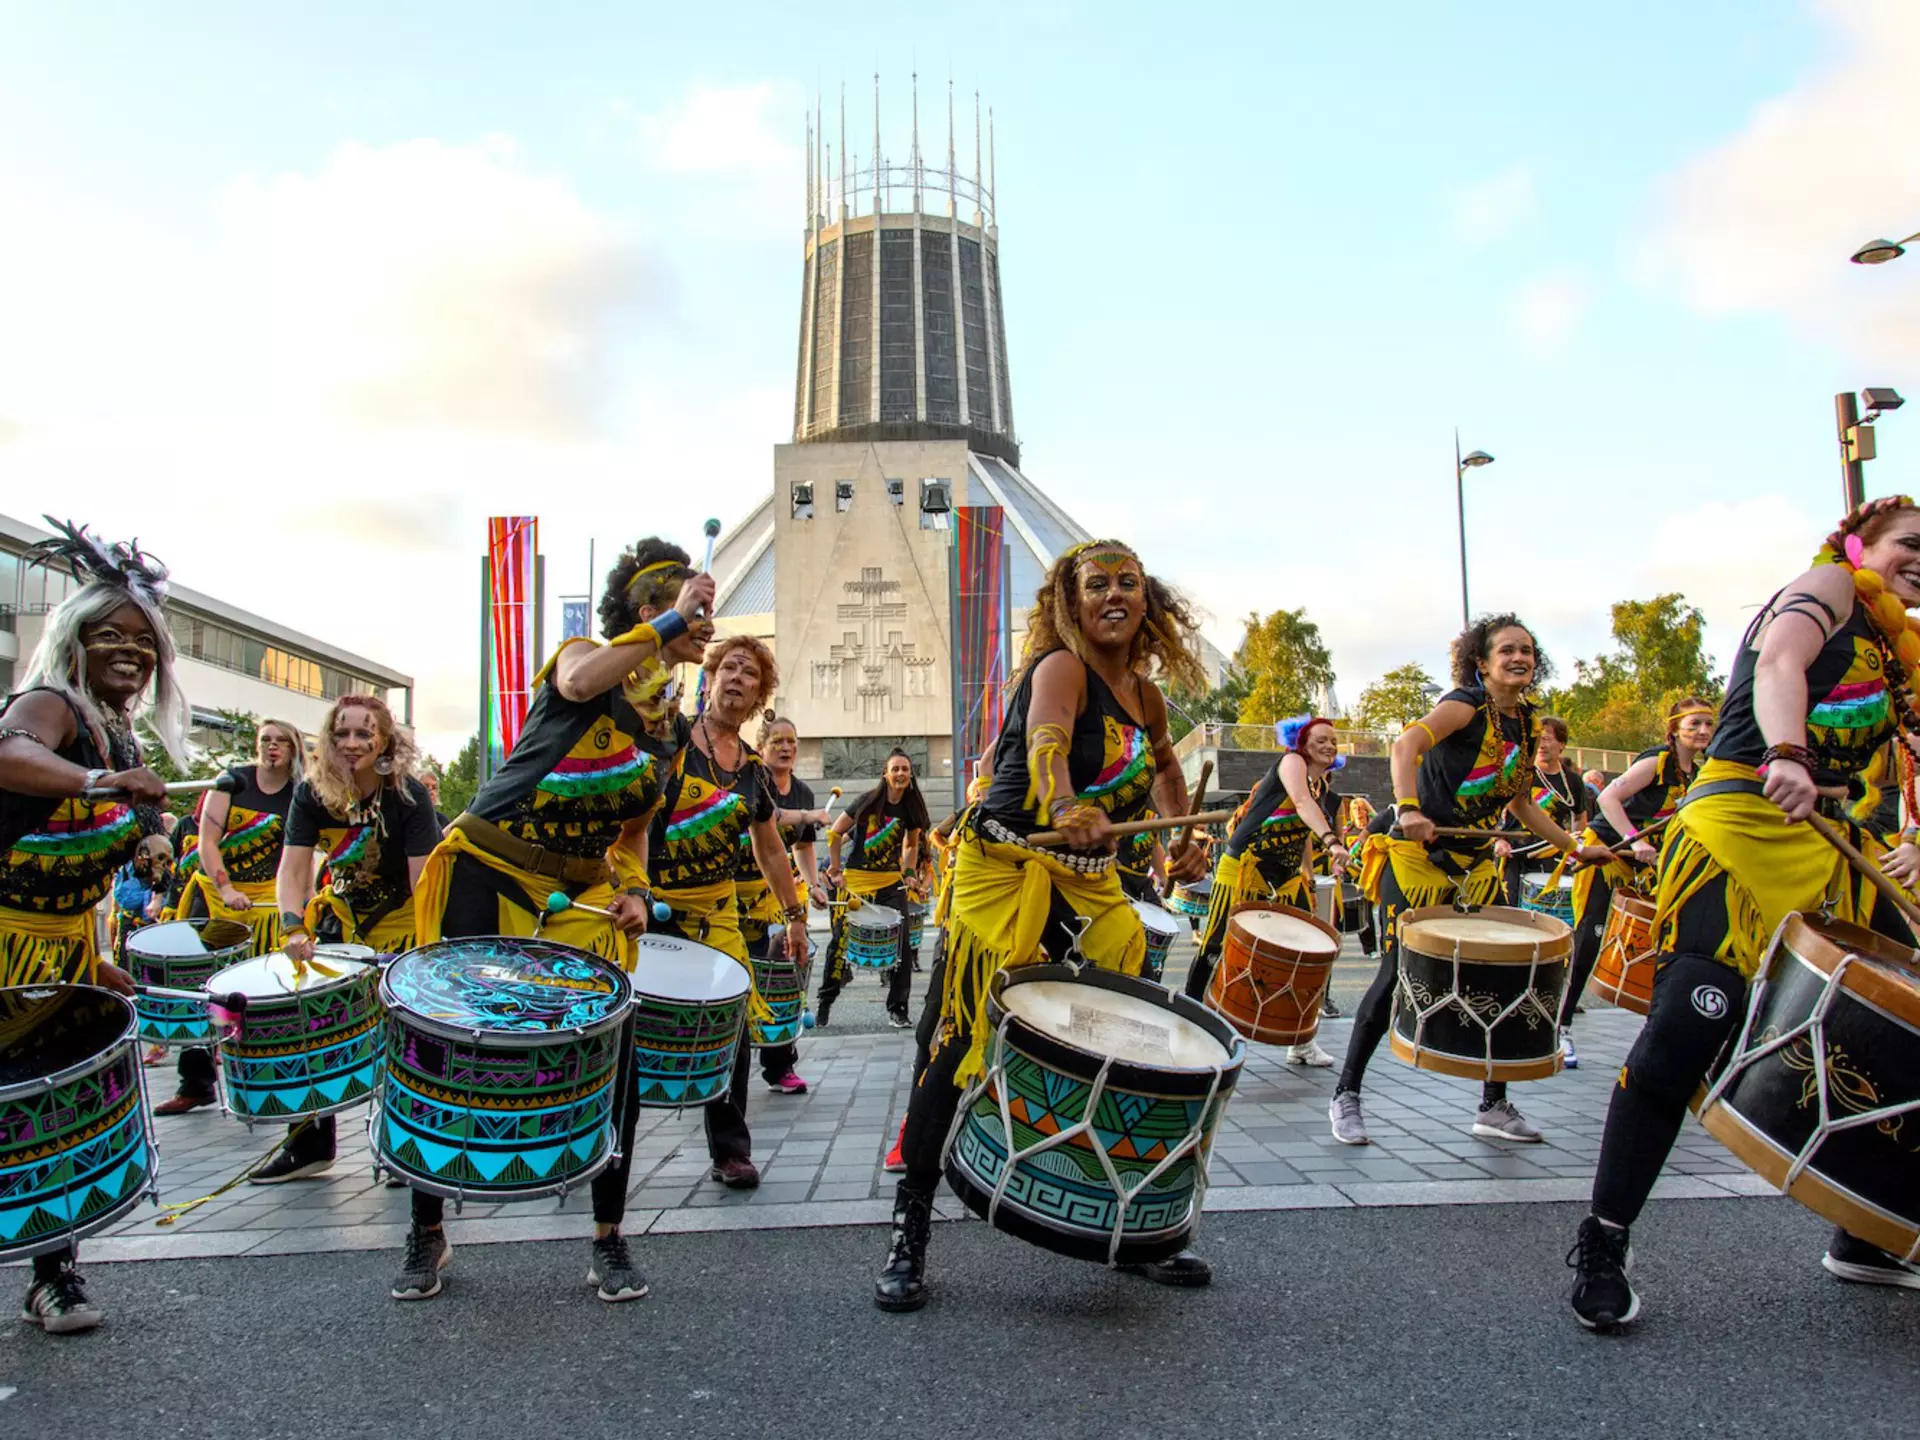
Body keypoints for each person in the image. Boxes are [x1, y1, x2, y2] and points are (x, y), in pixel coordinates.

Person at [1568, 497, 1920, 1330]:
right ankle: (1603, 1241)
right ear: (1860, 542)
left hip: (1833, 852)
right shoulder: (1828, 585)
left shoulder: (1902, 651)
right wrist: (1790, 752)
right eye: (1911, 543)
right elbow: (1778, 668)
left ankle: (1864, 1235)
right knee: (1684, 1036)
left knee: (1904, 1027)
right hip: (1739, 829)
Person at [872, 539, 1209, 1312]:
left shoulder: (1147, 697)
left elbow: (1163, 770)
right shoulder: (1061, 667)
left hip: (1090, 885)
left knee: (1118, 1046)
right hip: (1006, 875)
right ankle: (910, 1228)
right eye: (1098, 585)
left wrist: (1177, 836)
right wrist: (1062, 806)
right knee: (952, 1045)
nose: (1114, 595)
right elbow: (1050, 745)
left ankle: (1125, 1230)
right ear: (1072, 598)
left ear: (1146, 599)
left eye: (1128, 583)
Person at [396, 538, 714, 1302]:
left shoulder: (667, 725)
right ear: (648, 610)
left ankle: (608, 1238)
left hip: (577, 898)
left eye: (702, 611)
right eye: (689, 606)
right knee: (450, 1050)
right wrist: (673, 619)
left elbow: (633, 829)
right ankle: (426, 1233)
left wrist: (635, 888)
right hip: (486, 869)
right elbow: (577, 676)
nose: (707, 621)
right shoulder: (586, 658)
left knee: (617, 1058)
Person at [0, 519, 182, 1335]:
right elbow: (6, 753)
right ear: (73, 640)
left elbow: (75, 868)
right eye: (110, 635)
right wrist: (101, 778)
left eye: (144, 642)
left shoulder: (119, 732)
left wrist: (100, 950)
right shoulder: (49, 706)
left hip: (64, 952)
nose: (131, 652)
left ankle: (54, 1279)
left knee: (55, 1114)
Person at [1337, 616, 1610, 1148]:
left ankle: (1493, 1106)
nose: (1519, 658)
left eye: (1527, 650)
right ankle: (1346, 1094)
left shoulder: (1529, 724)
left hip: (1477, 863)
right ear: (1481, 662)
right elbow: (1405, 746)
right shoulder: (1463, 704)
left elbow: (1522, 806)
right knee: (1397, 975)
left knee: (1500, 976)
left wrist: (1576, 848)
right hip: (1416, 859)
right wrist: (1410, 808)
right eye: (1506, 650)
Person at [648, 635, 808, 1193]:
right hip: (647, 907)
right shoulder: (668, 741)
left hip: (717, 915)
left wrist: (794, 917)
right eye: (729, 668)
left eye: (750, 674)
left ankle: (731, 1151)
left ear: (759, 695)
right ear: (709, 678)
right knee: (627, 1024)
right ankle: (597, 1138)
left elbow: (769, 850)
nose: (737, 678)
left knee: (731, 1029)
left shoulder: (754, 775)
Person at [266, 696, 437, 1184]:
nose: (352, 743)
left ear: (384, 741)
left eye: (365, 734)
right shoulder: (311, 794)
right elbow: (294, 867)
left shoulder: (407, 796)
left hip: (403, 923)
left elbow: (423, 881)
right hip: (339, 921)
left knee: (406, 1036)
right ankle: (309, 1144)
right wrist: (292, 925)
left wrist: (419, 952)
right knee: (312, 1023)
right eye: (341, 733)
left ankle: (409, 1144)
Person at [153, 719, 304, 1113]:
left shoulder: (301, 793)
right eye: (265, 740)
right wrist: (226, 889)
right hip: (217, 901)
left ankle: (260, 1083)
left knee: (264, 995)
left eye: (281, 742)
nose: (271, 747)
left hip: (268, 906)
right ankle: (196, 1082)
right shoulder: (231, 782)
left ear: (294, 749)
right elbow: (207, 842)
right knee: (204, 990)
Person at [1559, 699, 1713, 1070]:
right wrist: (1634, 840)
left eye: (1709, 724)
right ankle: (1561, 1027)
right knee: (1590, 936)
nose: (1704, 731)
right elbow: (1609, 797)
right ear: (1675, 728)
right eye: (1695, 724)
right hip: (1608, 852)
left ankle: (1659, 1027)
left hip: (1645, 862)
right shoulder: (1657, 761)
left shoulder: (1698, 772)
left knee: (1669, 933)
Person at [1186, 715, 1349, 1066]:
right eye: (1320, 739)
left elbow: (1301, 829)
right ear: (1302, 744)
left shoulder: (1320, 783)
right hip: (1246, 866)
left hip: (1287, 877)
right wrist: (1333, 841)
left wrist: (1309, 872)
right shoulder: (1292, 763)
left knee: (1314, 950)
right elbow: (1303, 808)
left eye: (1333, 741)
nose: (1329, 745)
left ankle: (1301, 1041)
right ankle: (1188, 1026)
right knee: (1216, 944)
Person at [820, 749, 930, 1029]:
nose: (901, 773)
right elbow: (834, 833)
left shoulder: (912, 808)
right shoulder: (867, 802)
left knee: (902, 945)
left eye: (905, 769)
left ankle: (898, 1009)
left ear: (910, 774)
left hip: (890, 884)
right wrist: (835, 869)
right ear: (886, 773)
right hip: (855, 883)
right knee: (838, 944)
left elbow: (911, 845)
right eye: (895, 769)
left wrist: (908, 873)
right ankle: (825, 1003)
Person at [746, 712, 827, 1094]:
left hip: (784, 900)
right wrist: (809, 815)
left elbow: (804, 846)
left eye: (791, 741)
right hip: (739, 898)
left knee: (784, 982)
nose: (785, 747)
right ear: (761, 747)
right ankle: (728, 1062)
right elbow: (771, 820)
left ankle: (780, 1067)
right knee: (744, 981)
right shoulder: (749, 780)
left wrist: (812, 884)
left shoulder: (804, 791)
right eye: (776, 741)